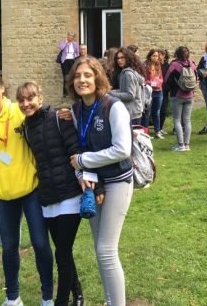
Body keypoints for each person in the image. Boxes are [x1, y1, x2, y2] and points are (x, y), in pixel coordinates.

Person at [0, 69, 54, 306]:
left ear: (2, 87)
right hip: (2, 195)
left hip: (31, 189)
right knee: (9, 247)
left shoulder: (19, 110)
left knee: (40, 243)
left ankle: (47, 296)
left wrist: (63, 114)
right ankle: (12, 297)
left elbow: (45, 120)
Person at [67, 56, 133, 306]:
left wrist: (84, 162)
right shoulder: (75, 110)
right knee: (100, 249)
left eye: (87, 75)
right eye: (77, 76)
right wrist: (83, 175)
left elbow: (122, 149)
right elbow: (76, 147)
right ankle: (109, 301)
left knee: (106, 250)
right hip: (93, 185)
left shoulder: (113, 106)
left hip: (118, 182)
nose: (82, 80)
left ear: (98, 77)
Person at [16, 81, 85, 306]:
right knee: (63, 251)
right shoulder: (26, 128)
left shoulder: (58, 118)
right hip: (47, 198)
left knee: (62, 253)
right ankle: (79, 294)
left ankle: (61, 301)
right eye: (22, 100)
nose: (26, 104)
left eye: (30, 98)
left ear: (40, 99)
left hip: (70, 196)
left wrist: (87, 181)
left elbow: (74, 150)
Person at [165, 47, 198, 151]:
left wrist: (172, 88)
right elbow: (196, 78)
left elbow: (166, 79)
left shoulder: (174, 65)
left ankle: (180, 145)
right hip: (190, 95)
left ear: (176, 54)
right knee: (187, 120)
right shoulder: (192, 64)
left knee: (177, 120)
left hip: (177, 95)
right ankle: (187, 144)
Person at [109, 47, 145, 125]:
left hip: (132, 114)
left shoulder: (128, 74)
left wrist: (110, 93)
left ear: (128, 58)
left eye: (122, 58)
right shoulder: (125, 72)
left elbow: (130, 95)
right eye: (118, 58)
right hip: (131, 112)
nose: (119, 60)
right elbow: (123, 90)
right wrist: (110, 91)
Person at [142, 49, 164, 138]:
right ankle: (145, 132)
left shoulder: (158, 65)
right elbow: (143, 79)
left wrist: (159, 82)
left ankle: (157, 131)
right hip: (149, 91)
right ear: (150, 56)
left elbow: (161, 78)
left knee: (156, 112)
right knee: (147, 112)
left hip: (158, 91)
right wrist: (151, 83)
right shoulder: (145, 65)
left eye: (157, 56)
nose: (155, 58)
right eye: (154, 56)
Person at [58, 32, 80, 97]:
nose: (71, 37)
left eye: (72, 36)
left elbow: (77, 52)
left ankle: (73, 91)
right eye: (69, 36)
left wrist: (75, 58)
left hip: (72, 60)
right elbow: (61, 48)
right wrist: (66, 41)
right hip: (65, 61)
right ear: (67, 36)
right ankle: (66, 93)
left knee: (73, 75)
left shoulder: (75, 44)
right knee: (66, 76)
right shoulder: (64, 42)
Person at [159, 48, 171, 134]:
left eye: (161, 55)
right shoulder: (155, 65)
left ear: (164, 56)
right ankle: (157, 128)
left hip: (164, 90)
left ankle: (160, 127)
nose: (159, 57)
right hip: (155, 90)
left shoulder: (168, 66)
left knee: (163, 110)